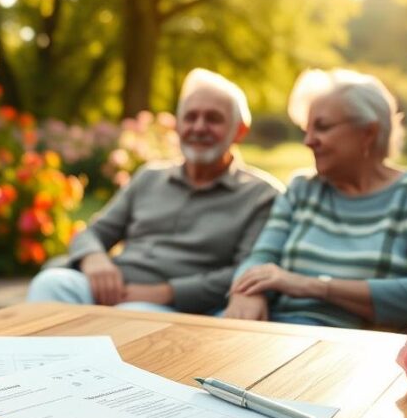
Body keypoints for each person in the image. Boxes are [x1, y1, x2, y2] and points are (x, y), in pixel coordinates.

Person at [224, 68, 407, 328]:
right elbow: (261, 257)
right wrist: (247, 292)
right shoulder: (301, 189)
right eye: (306, 129)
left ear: (368, 132)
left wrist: (314, 286)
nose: (308, 141)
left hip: (355, 351)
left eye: (322, 127)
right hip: (277, 333)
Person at [26, 68, 283, 314]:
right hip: (113, 289)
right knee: (50, 284)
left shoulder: (261, 195)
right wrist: (94, 258)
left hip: (181, 308)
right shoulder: (149, 176)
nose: (199, 127)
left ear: (239, 131)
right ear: (178, 126)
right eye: (190, 117)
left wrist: (167, 292)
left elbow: (246, 272)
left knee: (133, 315)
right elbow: (93, 232)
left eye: (213, 119)